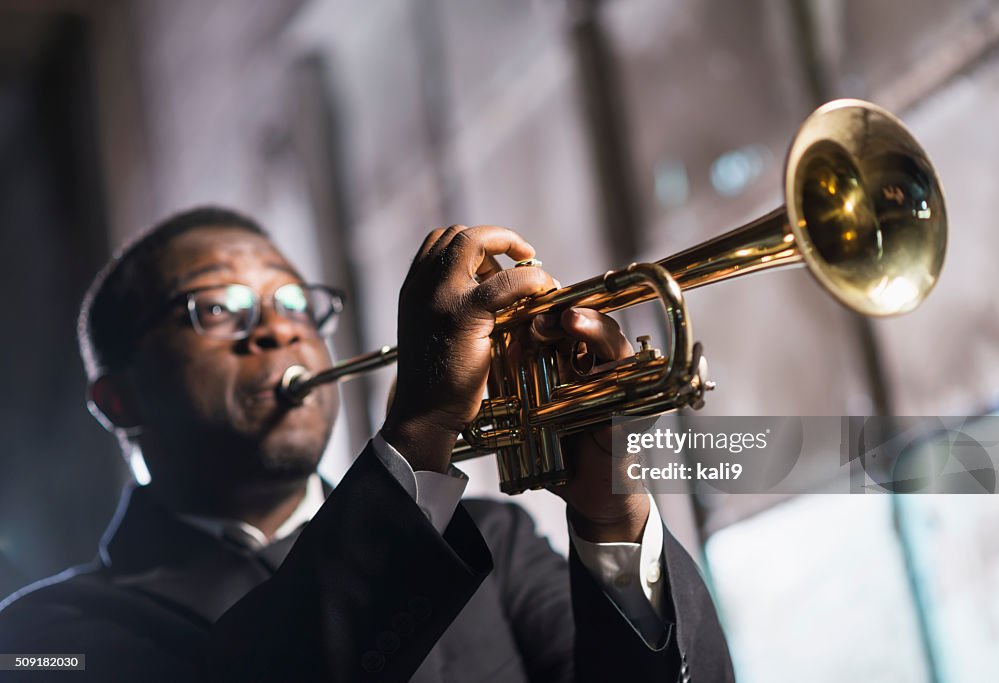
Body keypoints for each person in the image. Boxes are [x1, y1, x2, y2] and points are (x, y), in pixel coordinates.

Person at [0, 207, 733, 682]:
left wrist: (612, 517)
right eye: (214, 308)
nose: (278, 329)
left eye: (293, 302)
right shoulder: (44, 634)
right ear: (116, 399)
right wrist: (419, 434)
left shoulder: (495, 540)